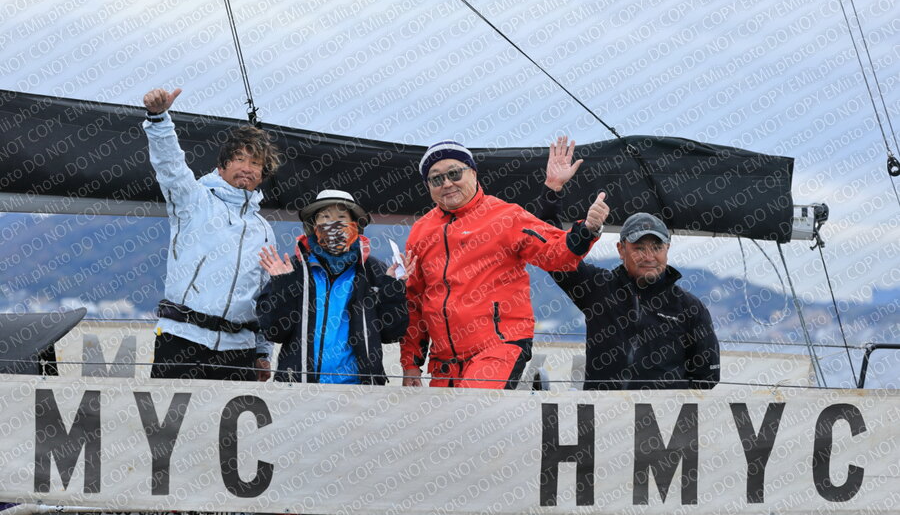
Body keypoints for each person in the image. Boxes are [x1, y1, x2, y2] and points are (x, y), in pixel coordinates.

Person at [400, 140, 608, 389]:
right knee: (449, 415)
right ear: (428, 186)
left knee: (471, 404)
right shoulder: (420, 232)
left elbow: (556, 254)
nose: (446, 183)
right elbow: (414, 302)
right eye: (436, 179)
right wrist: (410, 363)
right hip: (445, 363)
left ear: (473, 173)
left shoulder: (506, 217)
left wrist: (588, 229)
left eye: (454, 174)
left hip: (499, 346)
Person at [540, 136, 720, 390]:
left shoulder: (690, 308)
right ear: (621, 249)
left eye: (657, 247)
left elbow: (706, 378)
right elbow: (551, 252)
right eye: (638, 247)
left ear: (667, 249)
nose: (649, 256)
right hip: (602, 412)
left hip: (663, 414)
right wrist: (553, 189)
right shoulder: (597, 288)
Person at [143, 87, 281, 381]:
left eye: (255, 163)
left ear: (262, 174)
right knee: (170, 414)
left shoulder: (265, 231)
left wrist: (262, 353)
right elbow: (170, 166)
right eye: (239, 159)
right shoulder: (192, 200)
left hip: (240, 352)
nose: (247, 168)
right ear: (221, 167)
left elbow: (264, 296)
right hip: (182, 341)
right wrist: (159, 119)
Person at [256, 190, 412, 384]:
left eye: (341, 217)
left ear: (355, 225)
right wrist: (282, 286)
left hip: (359, 390)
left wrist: (393, 289)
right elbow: (274, 332)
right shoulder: (292, 269)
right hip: (298, 389)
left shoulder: (373, 270)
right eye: (325, 217)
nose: (333, 224)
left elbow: (392, 333)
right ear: (314, 226)